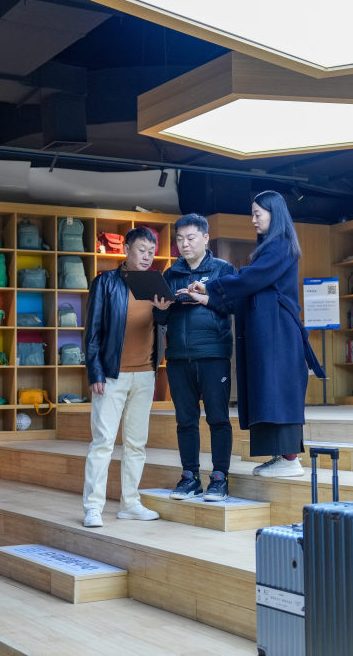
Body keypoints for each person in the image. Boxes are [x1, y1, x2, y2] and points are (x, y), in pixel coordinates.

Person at [186, 191, 325, 477]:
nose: (253, 220)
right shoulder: (272, 247)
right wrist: (208, 298)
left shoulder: (282, 245)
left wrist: (212, 287)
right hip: (270, 332)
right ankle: (281, 456)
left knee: (277, 391)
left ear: (274, 213)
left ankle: (290, 459)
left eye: (257, 214)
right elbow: (248, 292)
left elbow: (250, 279)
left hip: (279, 333)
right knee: (267, 389)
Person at [82, 227, 171, 527]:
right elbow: (92, 332)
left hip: (145, 375)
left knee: (136, 444)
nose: (146, 256)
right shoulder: (105, 282)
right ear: (127, 249)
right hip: (111, 376)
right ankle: (93, 507)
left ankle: (130, 503)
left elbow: (160, 325)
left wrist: (162, 312)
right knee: (103, 442)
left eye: (151, 252)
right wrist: (95, 371)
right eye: (141, 250)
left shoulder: (157, 284)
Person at [156, 214, 236, 501]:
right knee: (185, 420)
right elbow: (160, 319)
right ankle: (189, 477)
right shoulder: (170, 274)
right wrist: (162, 308)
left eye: (190, 238)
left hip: (213, 354)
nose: (184, 244)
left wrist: (204, 298)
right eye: (179, 239)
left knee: (218, 418)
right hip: (178, 356)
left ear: (205, 238)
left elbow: (234, 305)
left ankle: (220, 478)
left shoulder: (223, 269)